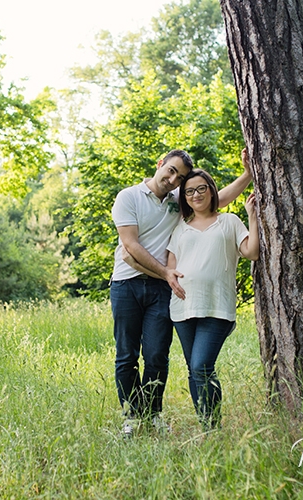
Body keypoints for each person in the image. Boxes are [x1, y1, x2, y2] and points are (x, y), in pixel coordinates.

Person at [111, 149, 252, 437]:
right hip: (127, 284)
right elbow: (131, 245)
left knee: (156, 356)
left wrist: (248, 174)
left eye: (180, 177)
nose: (174, 179)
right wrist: (164, 272)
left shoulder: (178, 202)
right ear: (160, 163)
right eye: (171, 171)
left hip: (163, 287)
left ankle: (152, 414)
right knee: (127, 355)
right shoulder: (129, 197)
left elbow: (217, 199)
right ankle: (131, 417)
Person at [166, 168, 259, 431]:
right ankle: (208, 427)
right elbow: (171, 267)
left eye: (201, 188)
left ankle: (211, 426)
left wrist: (252, 216)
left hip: (217, 306)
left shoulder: (228, 221)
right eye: (189, 191)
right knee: (195, 370)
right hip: (183, 307)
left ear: (211, 190)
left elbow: (251, 252)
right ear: (184, 197)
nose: (196, 195)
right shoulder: (180, 228)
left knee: (201, 365)